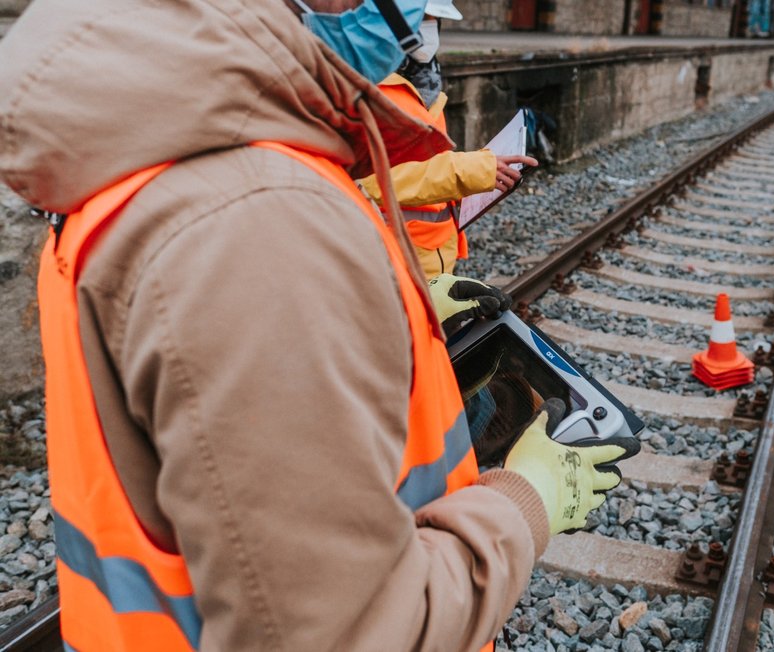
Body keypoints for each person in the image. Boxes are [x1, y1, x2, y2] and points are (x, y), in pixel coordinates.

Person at [0, 1, 637, 650]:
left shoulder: (152, 147)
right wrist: (524, 499)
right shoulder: (252, 216)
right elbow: (346, 634)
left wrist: (381, 308)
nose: (413, 20)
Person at [355, 0, 537, 278]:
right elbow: (374, 180)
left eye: (433, 20)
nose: (429, 28)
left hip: (433, 256)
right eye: (421, 17)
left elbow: (429, 165)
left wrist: (476, 183)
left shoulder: (424, 82)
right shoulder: (367, 88)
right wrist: (469, 171)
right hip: (391, 261)